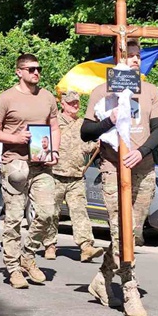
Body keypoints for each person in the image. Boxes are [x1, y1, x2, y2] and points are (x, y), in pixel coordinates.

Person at [81, 40, 158, 316]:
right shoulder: (101, 92)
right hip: (113, 167)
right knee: (121, 232)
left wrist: (141, 152)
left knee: (134, 233)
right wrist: (109, 120)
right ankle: (129, 290)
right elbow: (86, 131)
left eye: (138, 57)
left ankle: (101, 278)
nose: (135, 61)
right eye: (129, 56)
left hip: (143, 169)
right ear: (118, 58)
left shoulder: (150, 91)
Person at [0, 53, 60, 289]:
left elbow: (55, 127)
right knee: (14, 219)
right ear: (19, 72)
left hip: (41, 163)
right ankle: (13, 268)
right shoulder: (6, 98)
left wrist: (54, 151)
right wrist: (14, 137)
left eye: (39, 69)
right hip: (14, 163)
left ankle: (28, 255)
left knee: (48, 213)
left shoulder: (47, 97)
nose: (36, 72)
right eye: (31, 69)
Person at [43, 90, 104, 262]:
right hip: (55, 174)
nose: (75, 105)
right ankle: (50, 244)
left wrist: (96, 145)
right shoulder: (54, 122)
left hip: (76, 175)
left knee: (79, 212)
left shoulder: (82, 124)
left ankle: (86, 247)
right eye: (71, 103)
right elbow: (43, 142)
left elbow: (84, 147)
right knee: (51, 212)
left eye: (76, 102)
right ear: (62, 104)